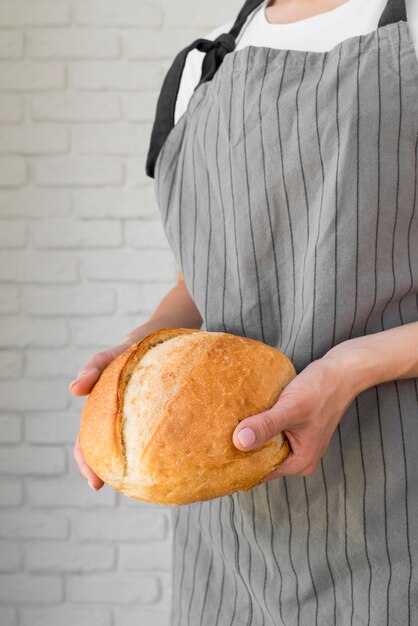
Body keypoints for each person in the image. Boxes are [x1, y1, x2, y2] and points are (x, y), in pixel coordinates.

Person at [71, 0, 418, 623]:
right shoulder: (196, 75)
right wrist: (146, 340)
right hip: (226, 547)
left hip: (392, 517)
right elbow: (204, 276)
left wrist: (350, 367)